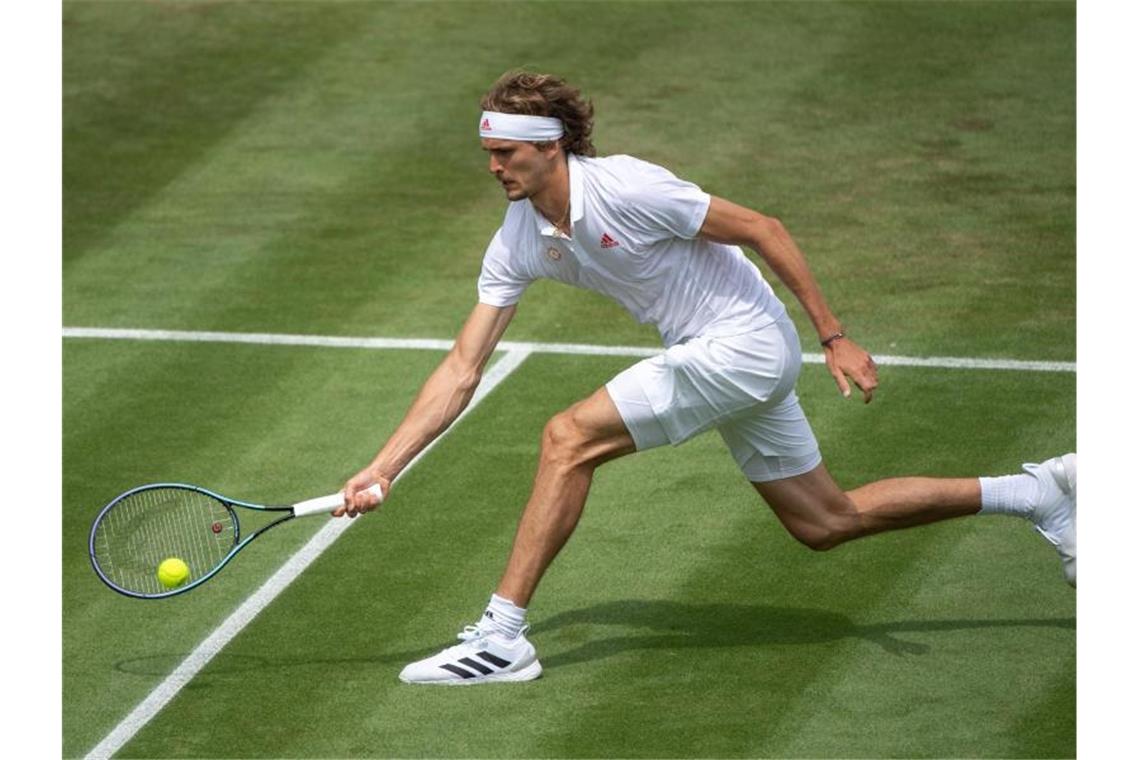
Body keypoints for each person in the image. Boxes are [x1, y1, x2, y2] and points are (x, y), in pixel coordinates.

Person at [334, 71, 1076, 685]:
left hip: (743, 345)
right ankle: (1039, 493)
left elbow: (764, 229)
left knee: (567, 437)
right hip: (720, 355)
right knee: (825, 523)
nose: (495, 168)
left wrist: (835, 336)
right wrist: (383, 467)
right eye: (489, 155)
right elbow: (463, 367)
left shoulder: (628, 188)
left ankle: (502, 639)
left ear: (551, 148)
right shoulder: (521, 237)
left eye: (506, 155)